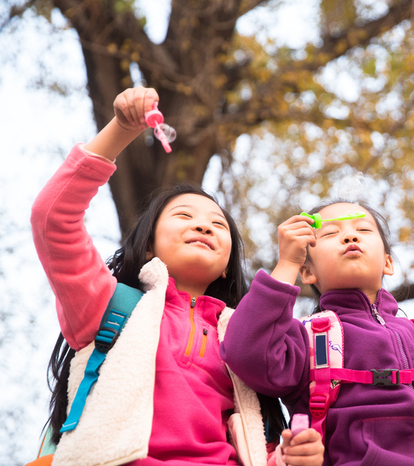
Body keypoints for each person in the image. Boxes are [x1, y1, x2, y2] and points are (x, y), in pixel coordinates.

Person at [30, 87, 323, 466]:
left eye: (218, 225)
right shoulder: (106, 306)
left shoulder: (243, 338)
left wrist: (291, 456)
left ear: (225, 264)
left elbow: (257, 442)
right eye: (184, 216)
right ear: (148, 246)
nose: (204, 226)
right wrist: (121, 128)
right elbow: (53, 218)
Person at [220, 200, 414, 465]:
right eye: (330, 233)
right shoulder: (307, 338)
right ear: (307, 270)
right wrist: (285, 265)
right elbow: (246, 353)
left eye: (362, 229)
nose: (350, 237)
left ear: (388, 262)